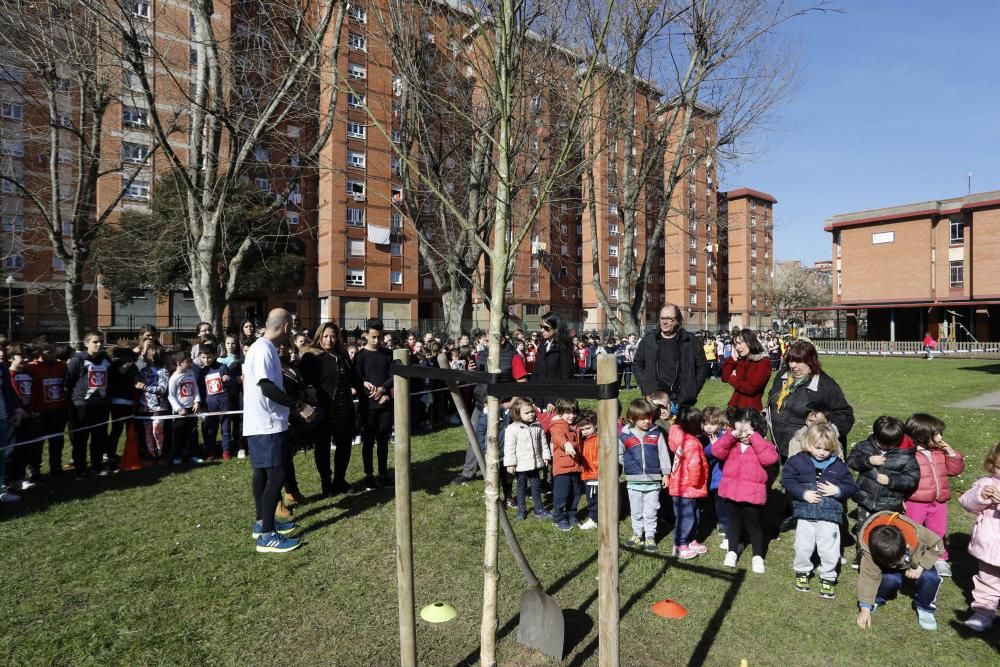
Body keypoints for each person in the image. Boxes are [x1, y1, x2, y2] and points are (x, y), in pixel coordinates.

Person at [244, 309, 313, 554]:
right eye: (291, 327)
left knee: (262, 475)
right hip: (267, 424)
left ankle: (263, 523)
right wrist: (298, 406)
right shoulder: (263, 350)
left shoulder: (261, 347)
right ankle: (267, 537)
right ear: (285, 328)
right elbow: (266, 387)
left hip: (261, 423)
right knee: (275, 475)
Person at [782, 423, 857, 599]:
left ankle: (828, 576)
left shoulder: (838, 465)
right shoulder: (797, 461)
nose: (822, 452)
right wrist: (803, 493)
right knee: (803, 545)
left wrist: (837, 491)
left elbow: (851, 486)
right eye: (818, 448)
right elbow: (787, 479)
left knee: (829, 548)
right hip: (805, 513)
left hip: (829, 515)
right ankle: (802, 571)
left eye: (827, 449)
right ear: (809, 443)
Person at [299, 321, 364, 495]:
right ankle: (326, 483)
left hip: (344, 409)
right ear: (319, 336)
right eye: (325, 336)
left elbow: (354, 378)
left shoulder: (342, 356)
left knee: (344, 446)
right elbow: (304, 382)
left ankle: (340, 480)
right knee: (323, 447)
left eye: (333, 336)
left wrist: (361, 386)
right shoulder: (311, 357)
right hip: (324, 410)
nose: (329, 340)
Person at [712, 407, 780, 573]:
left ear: (756, 429)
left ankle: (757, 556)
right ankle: (732, 551)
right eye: (738, 430)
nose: (742, 435)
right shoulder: (731, 444)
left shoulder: (764, 445)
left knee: (753, 526)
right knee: (734, 524)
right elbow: (717, 452)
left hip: (752, 495)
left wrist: (755, 438)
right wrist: (729, 436)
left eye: (747, 431)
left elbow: (770, 459)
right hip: (731, 493)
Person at [847, 416, 919, 567]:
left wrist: (891, 480)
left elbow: (912, 479)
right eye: (881, 443)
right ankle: (862, 557)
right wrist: (868, 461)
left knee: (885, 532)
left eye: (890, 445)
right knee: (863, 529)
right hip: (865, 499)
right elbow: (852, 460)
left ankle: (885, 557)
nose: (885, 448)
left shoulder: (906, 456)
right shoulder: (865, 446)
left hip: (889, 502)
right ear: (875, 436)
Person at [765, 340, 854, 460]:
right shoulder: (783, 377)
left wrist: (826, 433)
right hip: (779, 449)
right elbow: (773, 401)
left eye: (798, 361)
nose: (792, 365)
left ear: (810, 362)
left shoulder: (825, 384)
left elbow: (845, 415)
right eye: (791, 360)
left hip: (807, 453)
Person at [855, 511, 943, 632]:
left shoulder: (915, 532)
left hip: (917, 562)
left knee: (931, 578)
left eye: (897, 561)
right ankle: (877, 599)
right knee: (889, 579)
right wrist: (864, 608)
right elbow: (868, 578)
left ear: (906, 546)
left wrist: (921, 566)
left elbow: (937, 544)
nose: (896, 564)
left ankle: (925, 608)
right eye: (892, 563)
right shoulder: (870, 549)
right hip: (891, 572)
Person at [903, 413, 965, 578]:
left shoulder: (939, 452)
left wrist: (950, 452)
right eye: (936, 433)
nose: (940, 437)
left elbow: (954, 470)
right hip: (915, 501)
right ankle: (912, 556)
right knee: (913, 531)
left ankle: (939, 559)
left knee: (938, 531)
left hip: (939, 501)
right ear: (922, 435)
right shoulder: (908, 454)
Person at [632, 304, 709, 410]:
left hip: (682, 401)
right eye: (662, 318)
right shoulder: (649, 340)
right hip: (655, 400)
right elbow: (637, 364)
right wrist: (645, 388)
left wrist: (692, 390)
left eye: (669, 318)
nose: (664, 322)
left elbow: (702, 367)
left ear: (677, 320)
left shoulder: (690, 341)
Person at [958, 442, 1000, 632]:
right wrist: (980, 496)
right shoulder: (987, 483)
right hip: (989, 545)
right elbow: (966, 503)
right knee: (988, 580)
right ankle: (983, 612)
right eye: (998, 467)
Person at [619, 398, 669, 553]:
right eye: (643, 419)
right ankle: (636, 534)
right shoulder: (625, 435)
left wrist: (666, 474)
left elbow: (663, 454)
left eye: (649, 417)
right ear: (633, 418)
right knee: (636, 511)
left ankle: (650, 536)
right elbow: (619, 454)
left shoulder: (656, 433)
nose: (648, 421)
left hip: (653, 481)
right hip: (633, 482)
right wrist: (628, 465)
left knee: (651, 511)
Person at [65, 331, 112, 478]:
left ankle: (97, 466)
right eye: (95, 342)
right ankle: (80, 469)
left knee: (99, 437)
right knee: (80, 439)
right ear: (86, 344)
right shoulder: (77, 360)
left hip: (101, 404)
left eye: (101, 342)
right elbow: (68, 382)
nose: (99, 345)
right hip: (81, 404)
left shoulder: (106, 359)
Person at [354, 318, 394, 490]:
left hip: (385, 404)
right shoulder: (360, 356)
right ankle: (369, 475)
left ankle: (383, 474)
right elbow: (357, 379)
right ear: (366, 335)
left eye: (380, 337)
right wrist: (369, 389)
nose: (377, 341)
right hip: (367, 405)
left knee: (383, 440)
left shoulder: (387, 354)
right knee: (368, 441)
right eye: (373, 337)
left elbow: (393, 375)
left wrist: (383, 389)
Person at [667, 407, 710, 559]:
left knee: (693, 515)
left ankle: (691, 539)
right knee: (686, 517)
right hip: (688, 487)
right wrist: (696, 481)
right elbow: (694, 465)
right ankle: (679, 544)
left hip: (681, 486)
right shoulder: (691, 443)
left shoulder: (678, 435)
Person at [503, 397, 551, 520]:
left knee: (536, 487)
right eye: (527, 412)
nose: (531, 414)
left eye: (532, 411)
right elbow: (509, 449)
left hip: (534, 465)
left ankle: (539, 509)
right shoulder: (512, 429)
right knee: (521, 488)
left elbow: (543, 443)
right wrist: (510, 464)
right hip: (520, 466)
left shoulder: (537, 426)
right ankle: (521, 511)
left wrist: (546, 455)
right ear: (517, 413)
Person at [28, 343, 68, 476]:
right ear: (40, 353)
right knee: (37, 443)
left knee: (57, 440)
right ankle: (35, 470)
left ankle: (56, 467)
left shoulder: (61, 366)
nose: (51, 354)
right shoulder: (31, 368)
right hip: (40, 411)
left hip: (58, 410)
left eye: (53, 351)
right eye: (47, 351)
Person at [197, 340, 237, 460]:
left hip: (224, 402)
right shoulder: (202, 371)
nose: (206, 360)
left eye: (209, 357)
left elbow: (233, 384)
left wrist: (228, 379)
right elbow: (202, 389)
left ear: (214, 355)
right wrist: (202, 403)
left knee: (225, 428)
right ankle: (211, 452)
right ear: (200, 357)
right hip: (210, 404)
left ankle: (226, 451)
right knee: (211, 429)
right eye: (203, 357)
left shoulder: (222, 367)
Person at [549, 398, 582, 531]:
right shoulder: (557, 425)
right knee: (561, 495)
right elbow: (558, 436)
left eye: (574, 413)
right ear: (560, 413)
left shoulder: (576, 425)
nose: (571, 416)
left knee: (576, 493)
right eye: (568, 413)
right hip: (562, 468)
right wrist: (566, 444)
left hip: (576, 466)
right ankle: (558, 518)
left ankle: (572, 514)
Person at [529, 311, 574, 409]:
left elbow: (566, 378)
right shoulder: (542, 346)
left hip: (555, 403)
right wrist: (531, 395)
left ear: (556, 329)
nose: (542, 330)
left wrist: (555, 401)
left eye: (546, 328)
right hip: (538, 400)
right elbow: (535, 373)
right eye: (541, 326)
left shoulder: (564, 348)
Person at [720, 329, 771, 411]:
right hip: (734, 408)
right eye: (735, 344)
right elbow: (725, 378)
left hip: (750, 411)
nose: (737, 347)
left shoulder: (763, 361)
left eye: (740, 343)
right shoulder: (741, 360)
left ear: (749, 341)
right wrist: (733, 358)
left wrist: (733, 378)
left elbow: (751, 388)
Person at [701, 406, 730, 550]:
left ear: (719, 424)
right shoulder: (704, 437)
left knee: (722, 504)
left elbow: (716, 452)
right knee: (715, 502)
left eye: (712, 424)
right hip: (710, 477)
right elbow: (704, 452)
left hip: (721, 478)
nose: (708, 427)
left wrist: (715, 447)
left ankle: (726, 530)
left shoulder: (724, 436)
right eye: (705, 424)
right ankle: (719, 522)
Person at [136, 346, 169, 463]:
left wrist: (144, 387)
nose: (143, 356)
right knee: (148, 431)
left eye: (146, 354)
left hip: (158, 406)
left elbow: (162, 389)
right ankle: (151, 453)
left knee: (157, 431)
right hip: (144, 406)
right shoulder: (141, 371)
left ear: (153, 356)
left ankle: (160, 453)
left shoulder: (163, 371)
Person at [167, 351, 202, 464]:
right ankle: (177, 456)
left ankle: (194, 455)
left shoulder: (191, 373)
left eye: (190, 361)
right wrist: (178, 409)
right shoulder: (173, 378)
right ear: (179, 363)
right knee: (178, 435)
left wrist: (197, 401)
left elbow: (195, 388)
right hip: (180, 412)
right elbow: (171, 396)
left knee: (193, 433)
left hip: (192, 409)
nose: (190, 363)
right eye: (187, 361)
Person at [577, 409, 599, 530]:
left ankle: (594, 519)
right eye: (582, 429)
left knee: (595, 500)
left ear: (595, 425)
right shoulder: (585, 440)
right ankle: (595, 518)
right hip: (587, 475)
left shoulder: (598, 439)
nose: (585, 432)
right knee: (591, 500)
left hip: (595, 476)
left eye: (588, 428)